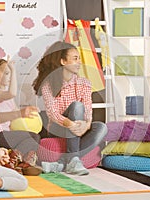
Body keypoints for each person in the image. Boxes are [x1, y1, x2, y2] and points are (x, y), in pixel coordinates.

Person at [32, 41, 108, 176]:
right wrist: (71, 124)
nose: (79, 62)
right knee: (77, 106)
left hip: (78, 128)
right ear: (63, 61)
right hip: (58, 128)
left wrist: (86, 125)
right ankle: (72, 161)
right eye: (75, 58)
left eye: (79, 58)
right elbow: (53, 114)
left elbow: (89, 110)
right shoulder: (48, 85)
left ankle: (64, 163)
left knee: (102, 128)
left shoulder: (84, 83)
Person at [0, 56, 41, 168]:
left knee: (34, 138)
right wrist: (13, 69)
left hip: (7, 132)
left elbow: (17, 112)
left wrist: (31, 111)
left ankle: (18, 162)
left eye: (10, 74)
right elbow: (12, 93)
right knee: (34, 138)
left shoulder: (8, 97)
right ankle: (13, 160)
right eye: (7, 73)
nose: (10, 76)